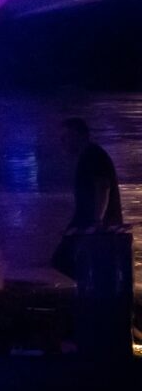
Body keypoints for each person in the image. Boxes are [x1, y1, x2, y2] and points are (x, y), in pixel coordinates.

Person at [52, 117, 123, 277]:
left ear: (77, 135)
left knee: (63, 259)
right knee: (78, 261)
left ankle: (92, 290)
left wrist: (97, 221)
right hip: (88, 222)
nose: (63, 143)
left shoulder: (92, 156)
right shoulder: (91, 155)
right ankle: (92, 290)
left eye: (65, 137)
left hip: (90, 223)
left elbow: (103, 187)